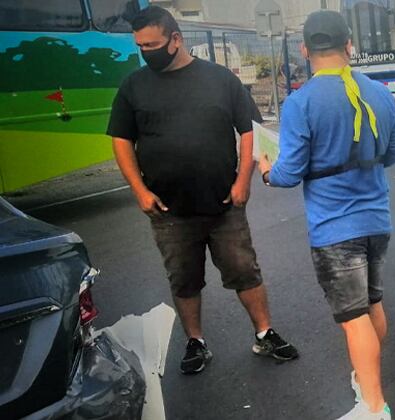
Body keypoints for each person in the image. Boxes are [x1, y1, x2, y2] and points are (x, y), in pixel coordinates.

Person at [107, 6, 298, 375]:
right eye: (140, 46)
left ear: (176, 40)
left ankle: (265, 332)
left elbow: (249, 131)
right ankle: (196, 342)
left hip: (224, 205)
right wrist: (139, 191)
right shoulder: (134, 86)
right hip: (168, 211)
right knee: (184, 278)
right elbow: (121, 140)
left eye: (153, 44)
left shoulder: (220, 79)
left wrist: (243, 182)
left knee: (245, 270)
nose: (146, 52)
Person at [257, 10, 395, 420]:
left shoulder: (301, 102)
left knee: (353, 317)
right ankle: (367, 382)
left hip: (334, 229)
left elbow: (289, 173)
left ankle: (375, 407)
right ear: (349, 46)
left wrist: (267, 173)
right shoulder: (378, 92)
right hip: (376, 220)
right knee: (372, 303)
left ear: (306, 49)